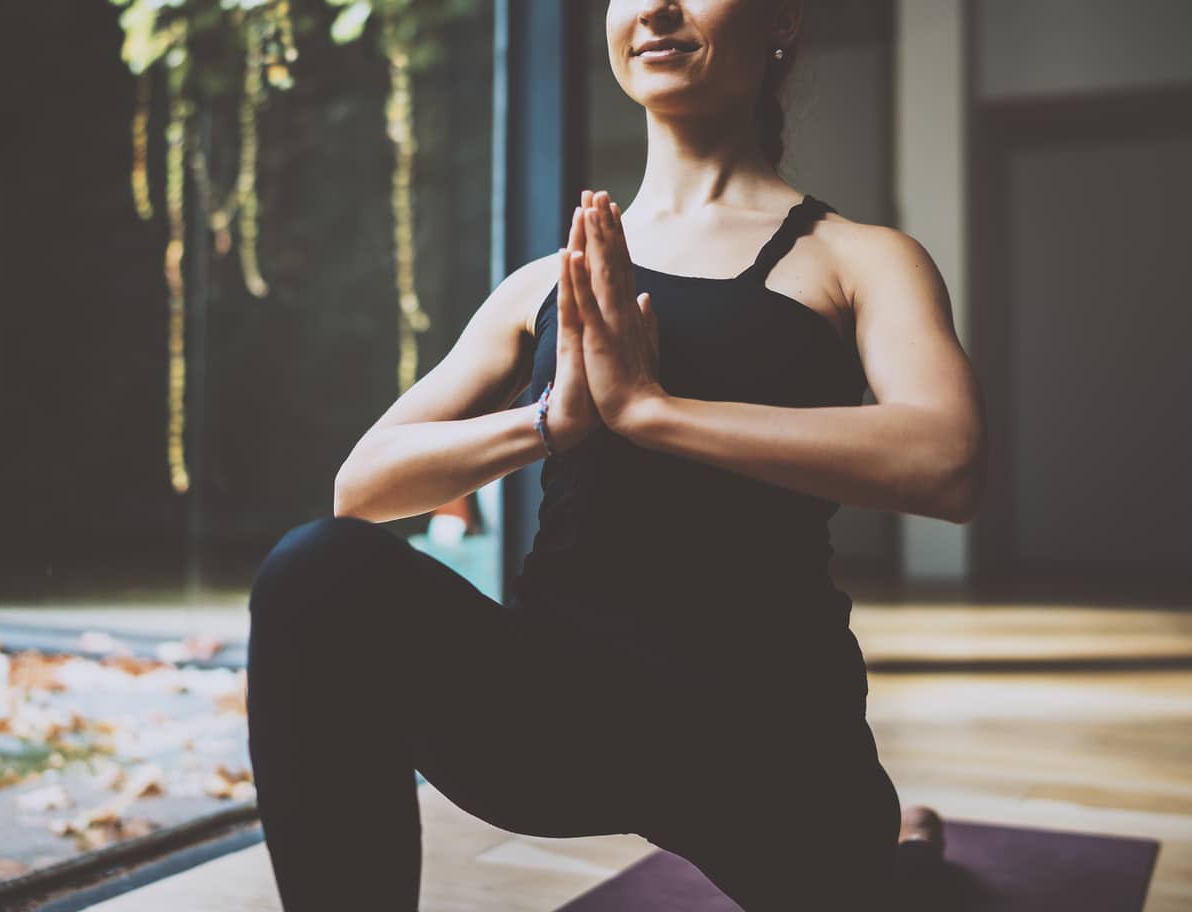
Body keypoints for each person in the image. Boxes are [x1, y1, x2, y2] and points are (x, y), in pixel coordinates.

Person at [246, 0, 985, 908]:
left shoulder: (860, 259)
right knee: (313, 572)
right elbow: (359, 489)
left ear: (782, 18)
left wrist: (653, 410)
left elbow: (947, 461)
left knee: (897, 892)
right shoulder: (543, 282)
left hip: (765, 729)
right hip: (562, 710)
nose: (656, 8)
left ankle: (906, 847)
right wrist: (551, 422)